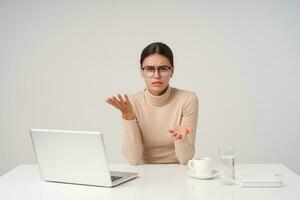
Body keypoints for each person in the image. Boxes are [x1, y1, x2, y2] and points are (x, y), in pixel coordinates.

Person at [106, 42, 198, 165]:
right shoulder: (131, 102)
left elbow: (185, 159)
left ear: (172, 71)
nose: (156, 75)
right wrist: (128, 118)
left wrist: (181, 139)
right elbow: (133, 160)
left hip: (177, 172)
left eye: (163, 69)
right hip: (143, 173)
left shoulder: (187, 99)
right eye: (149, 69)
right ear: (141, 72)